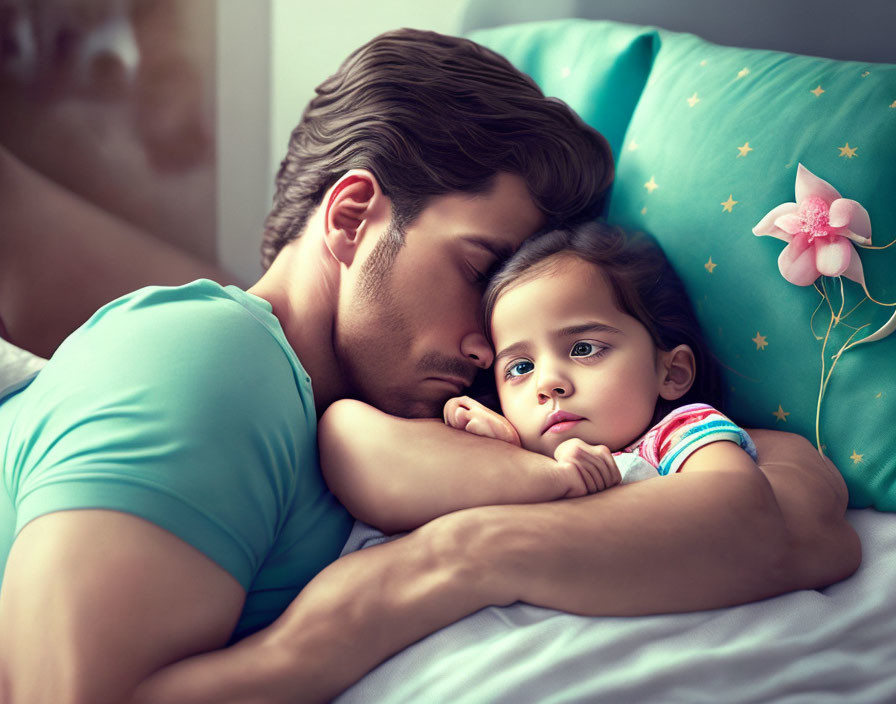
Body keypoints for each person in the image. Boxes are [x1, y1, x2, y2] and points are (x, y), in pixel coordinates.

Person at [0, 29, 858, 704]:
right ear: (352, 218)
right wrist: (414, 580)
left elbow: (796, 523)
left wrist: (470, 551)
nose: (498, 347)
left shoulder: (421, 413)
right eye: (482, 271)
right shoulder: (211, 358)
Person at [321, 223, 761, 535]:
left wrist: (585, 484)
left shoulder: (679, 435)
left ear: (672, 371)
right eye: (520, 367)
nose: (548, 383)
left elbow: (738, 511)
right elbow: (346, 440)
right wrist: (514, 462)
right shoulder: (506, 445)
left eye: (584, 349)